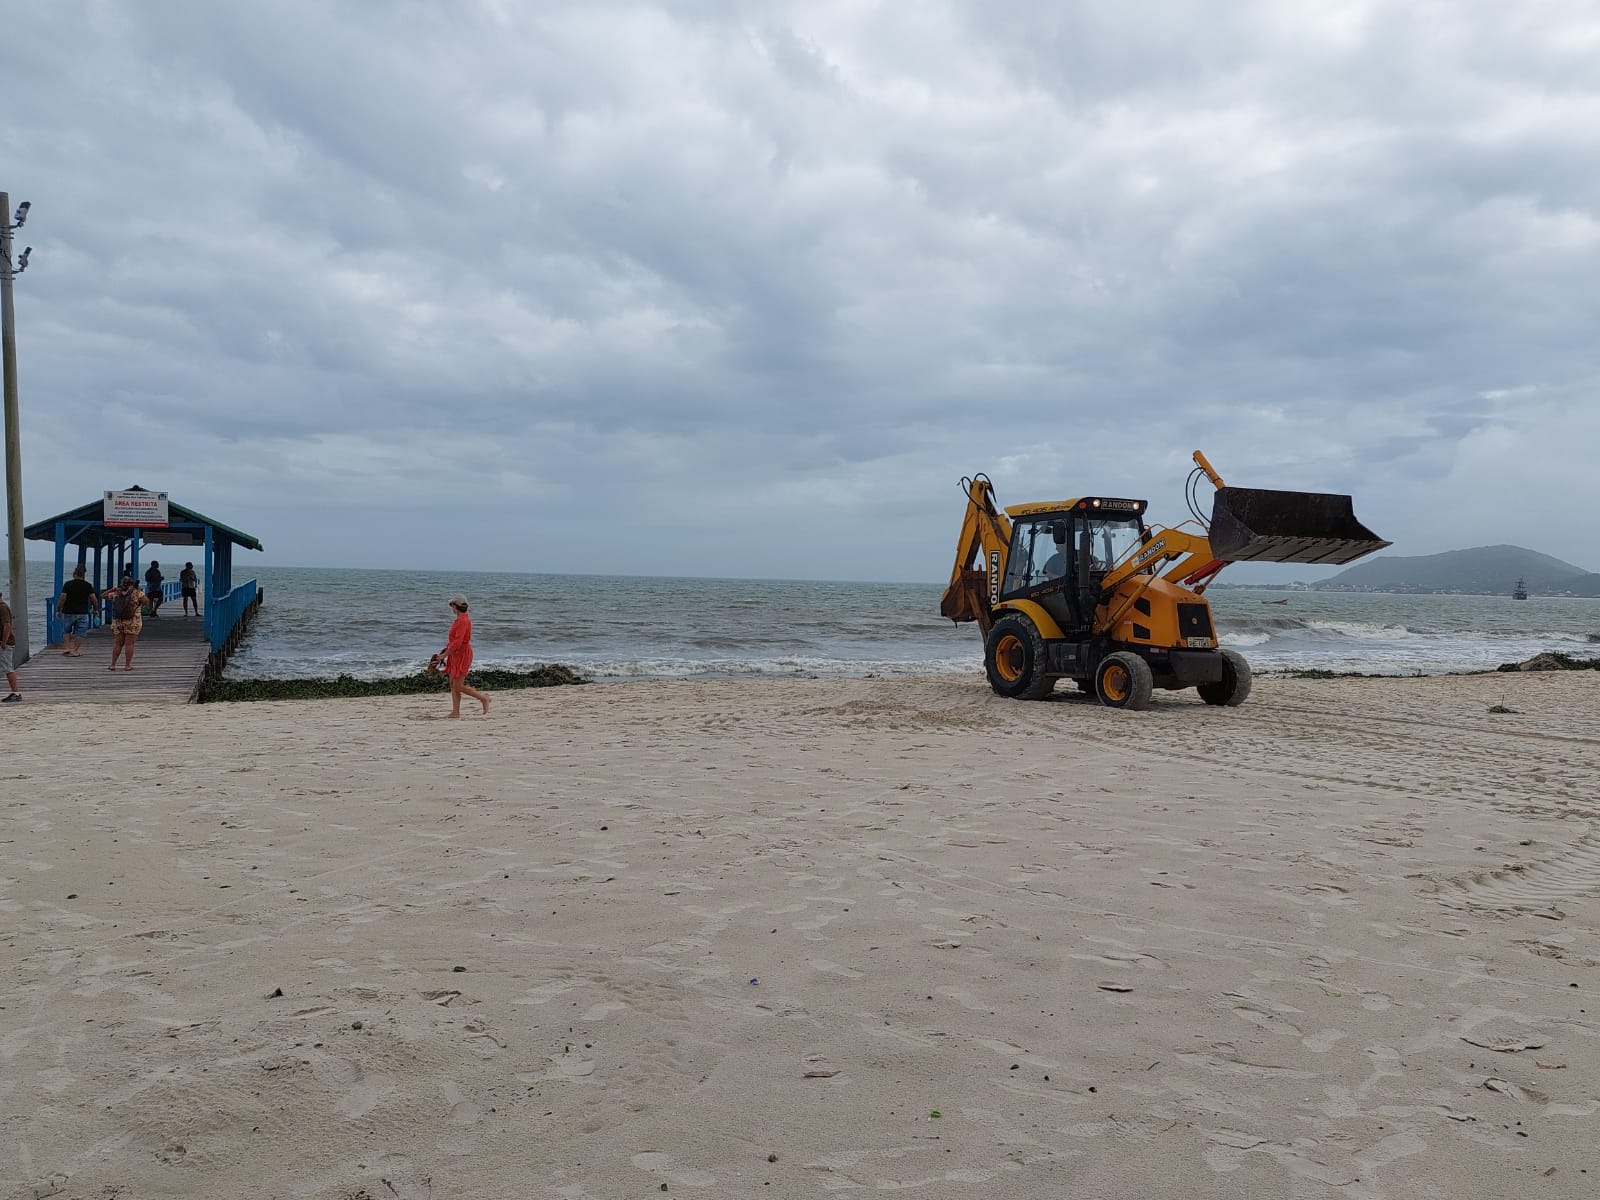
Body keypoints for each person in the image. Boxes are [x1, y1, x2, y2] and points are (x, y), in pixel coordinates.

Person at [430, 593, 489, 718]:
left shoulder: (463, 621)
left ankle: (483, 698)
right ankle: (455, 712)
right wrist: (446, 653)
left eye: (452, 605)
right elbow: (454, 642)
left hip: (462, 655)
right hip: (455, 654)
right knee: (453, 683)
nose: (451, 608)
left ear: (456, 607)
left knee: (459, 685)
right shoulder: (460, 620)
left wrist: (443, 655)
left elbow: (458, 642)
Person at [105, 575, 146, 671]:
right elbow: (146, 602)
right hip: (133, 621)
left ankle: (113, 664)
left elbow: (103, 596)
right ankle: (127, 665)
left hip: (118, 621)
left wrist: (113, 589)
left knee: (118, 643)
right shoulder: (137, 593)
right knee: (129, 644)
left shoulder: (116, 593)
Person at [55, 565, 99, 657]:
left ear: (74, 574)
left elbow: (62, 598)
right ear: (83, 575)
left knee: (66, 630)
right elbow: (94, 599)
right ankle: (75, 650)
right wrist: (96, 609)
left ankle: (67, 648)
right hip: (82, 612)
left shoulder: (68, 584)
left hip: (68, 611)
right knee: (80, 632)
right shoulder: (87, 585)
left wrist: (58, 610)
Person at [0, 585, 19, 703]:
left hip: (5, 644)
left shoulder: (2, 608)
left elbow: (7, 625)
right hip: (4, 642)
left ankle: (16, 692)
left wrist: (4, 642)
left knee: (7, 668)